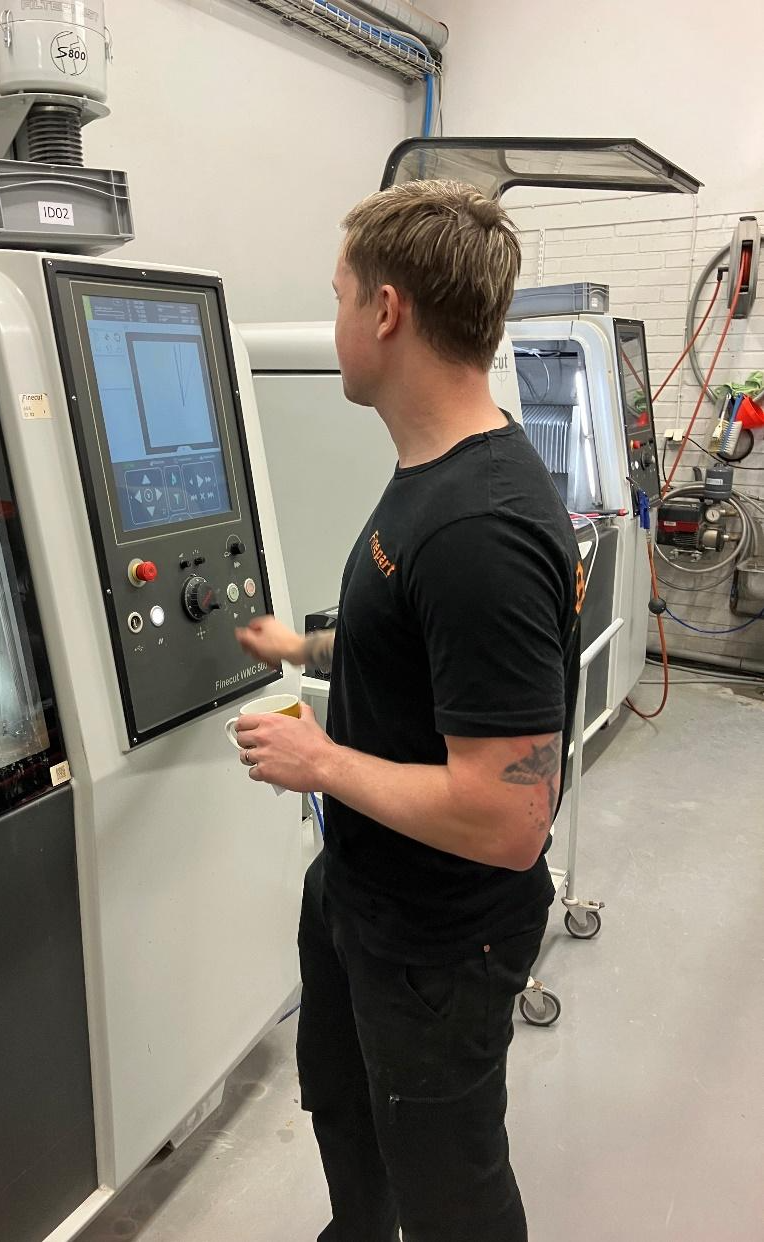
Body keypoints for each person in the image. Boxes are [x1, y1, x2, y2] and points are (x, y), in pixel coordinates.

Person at [234, 179, 583, 1242]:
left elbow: (510, 817)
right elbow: (421, 648)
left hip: (440, 946)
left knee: (451, 1190)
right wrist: (313, 648)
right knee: (349, 1112)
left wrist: (320, 762)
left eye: (341, 295)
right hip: (363, 892)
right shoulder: (433, 475)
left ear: (386, 312)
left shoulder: (478, 527)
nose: (337, 319)